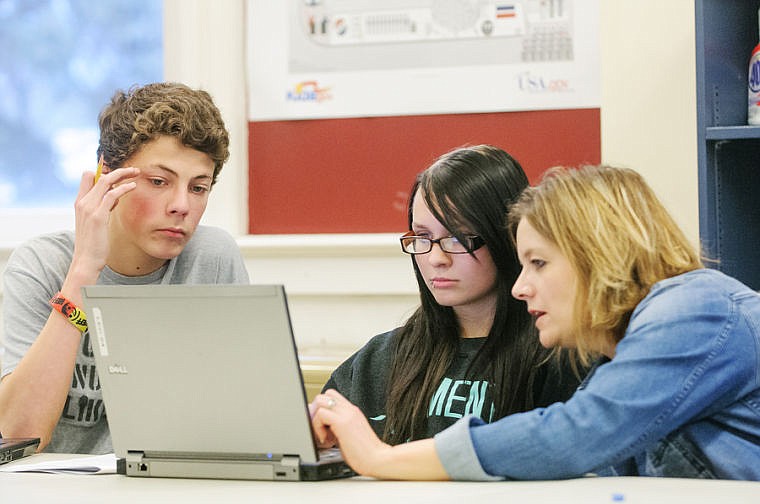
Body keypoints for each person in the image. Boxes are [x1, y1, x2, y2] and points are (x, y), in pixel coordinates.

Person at [311, 164, 760, 481]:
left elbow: (572, 436)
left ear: (598, 255)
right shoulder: (622, 350)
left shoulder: (696, 309)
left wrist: (378, 459)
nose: (520, 287)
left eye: (539, 263)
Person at [0, 82, 250, 454]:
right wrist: (83, 270)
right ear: (107, 176)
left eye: (198, 188)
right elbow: (20, 433)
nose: (181, 205)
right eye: (158, 182)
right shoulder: (41, 265)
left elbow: (244, 421)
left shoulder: (211, 259)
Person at [314, 145, 581, 448]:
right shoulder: (379, 361)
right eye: (423, 237)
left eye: (459, 238)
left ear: (507, 238)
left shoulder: (557, 356)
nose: (436, 258)